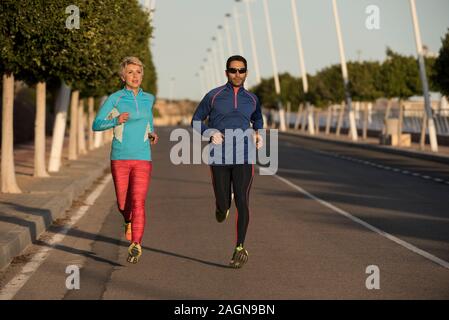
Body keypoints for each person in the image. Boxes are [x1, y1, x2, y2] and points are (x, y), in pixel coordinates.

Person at [191, 55, 264, 268]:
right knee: (224, 202)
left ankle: (239, 247)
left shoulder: (252, 99)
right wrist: (209, 133)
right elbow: (195, 121)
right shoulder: (213, 96)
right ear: (226, 72)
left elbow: (257, 118)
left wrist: (258, 133)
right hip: (219, 157)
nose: (237, 74)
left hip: (244, 156)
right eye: (233, 70)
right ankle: (222, 207)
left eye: (241, 70)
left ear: (246, 73)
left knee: (242, 199)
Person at [92, 56, 158, 264]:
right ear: (123, 76)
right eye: (130, 72)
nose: (135, 76)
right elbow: (96, 124)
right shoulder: (115, 99)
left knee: (139, 201)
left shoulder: (149, 98)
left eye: (138, 72)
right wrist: (115, 120)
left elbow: (148, 121)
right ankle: (127, 220)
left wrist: (152, 134)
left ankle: (136, 244)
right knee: (123, 203)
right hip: (120, 157)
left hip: (142, 157)